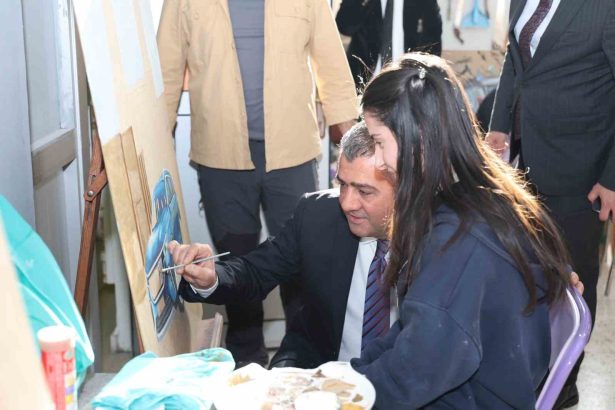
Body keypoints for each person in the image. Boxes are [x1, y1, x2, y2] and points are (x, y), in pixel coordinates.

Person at [350, 52, 572, 409]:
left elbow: (415, 372)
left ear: (418, 136)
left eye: (379, 142)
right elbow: (417, 330)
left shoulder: (459, 239)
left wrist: (344, 396)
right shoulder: (479, 196)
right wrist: (353, 377)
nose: (377, 161)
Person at [157, 0, 359, 366]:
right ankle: (246, 362)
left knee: (304, 262)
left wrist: (353, 147)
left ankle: (304, 361)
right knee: (232, 261)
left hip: (292, 153)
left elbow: (332, 62)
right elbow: (167, 73)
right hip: (221, 155)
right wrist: (155, 143)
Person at [169, 123, 398, 368]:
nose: (347, 203)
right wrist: (212, 276)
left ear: (405, 187)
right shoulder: (317, 215)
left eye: (364, 191)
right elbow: (254, 272)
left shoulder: (428, 240)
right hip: (320, 375)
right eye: (343, 184)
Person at [486, 1, 615, 406]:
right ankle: (534, 369)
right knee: (530, 272)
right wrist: (499, 125)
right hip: (525, 163)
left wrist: (612, 178)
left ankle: (565, 381)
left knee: (573, 278)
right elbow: (516, 59)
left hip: (582, 168)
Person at [336, 0, 442, 88]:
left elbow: (433, 44)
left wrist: (419, 79)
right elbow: (345, 27)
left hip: (407, 85)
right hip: (364, 82)